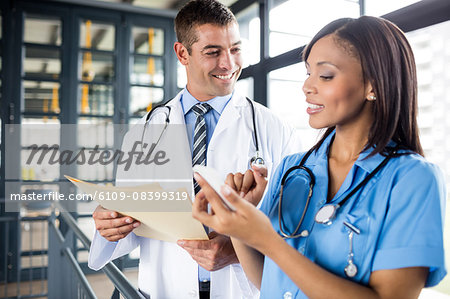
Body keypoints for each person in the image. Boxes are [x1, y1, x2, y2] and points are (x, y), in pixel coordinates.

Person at [192, 16, 447, 298]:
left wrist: (265, 238)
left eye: (325, 75)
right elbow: (271, 282)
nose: (307, 86)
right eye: (308, 73)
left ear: (372, 86)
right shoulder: (293, 169)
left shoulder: (413, 179)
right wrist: (240, 225)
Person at [87, 0, 302, 298]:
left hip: (239, 287)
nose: (228, 64)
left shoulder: (275, 129)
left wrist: (240, 250)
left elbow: (296, 225)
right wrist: (111, 224)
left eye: (236, 49)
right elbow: (132, 216)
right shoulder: (144, 131)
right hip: (165, 285)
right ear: (182, 53)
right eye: (213, 52)